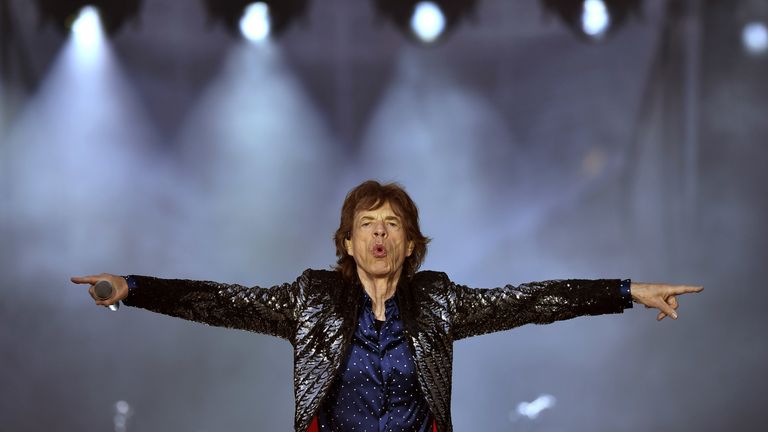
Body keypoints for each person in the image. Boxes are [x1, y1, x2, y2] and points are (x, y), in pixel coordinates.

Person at [71, 180, 702, 432]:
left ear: (409, 242)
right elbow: (220, 301)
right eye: (367, 224)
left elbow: (534, 301)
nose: (379, 233)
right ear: (348, 241)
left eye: (392, 224)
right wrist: (134, 285)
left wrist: (627, 291)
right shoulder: (312, 299)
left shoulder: (437, 302)